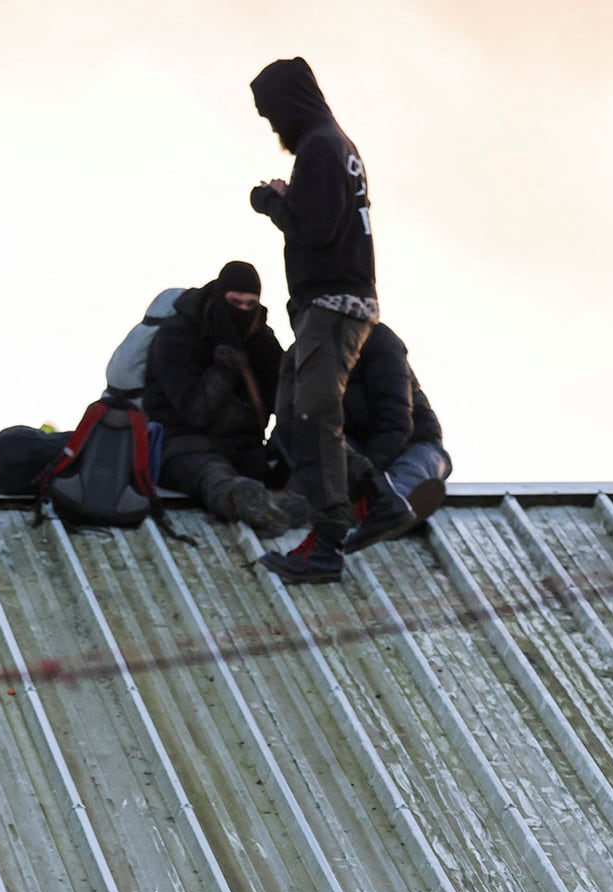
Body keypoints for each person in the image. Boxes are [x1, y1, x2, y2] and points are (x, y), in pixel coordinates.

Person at [248, 57, 413, 584]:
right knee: (295, 414)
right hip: (339, 302)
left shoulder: (320, 146)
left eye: (272, 115)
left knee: (314, 421)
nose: (273, 128)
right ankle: (378, 499)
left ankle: (326, 545)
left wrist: (273, 202)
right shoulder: (336, 145)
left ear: (289, 105)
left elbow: (313, 230)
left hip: (332, 304)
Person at [142, 261, 307, 533]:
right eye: (234, 302)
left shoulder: (261, 340)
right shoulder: (178, 336)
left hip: (244, 449)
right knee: (212, 474)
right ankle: (240, 501)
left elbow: (287, 400)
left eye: (249, 304)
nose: (242, 311)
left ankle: (276, 506)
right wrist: (225, 365)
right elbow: (195, 412)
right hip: (182, 445)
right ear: (220, 296)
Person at [341, 322, 450, 523]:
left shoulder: (378, 340)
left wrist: (370, 475)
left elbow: (396, 419)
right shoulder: (305, 356)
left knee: (414, 473)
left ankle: (393, 512)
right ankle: (364, 512)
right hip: (358, 451)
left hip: (415, 442)